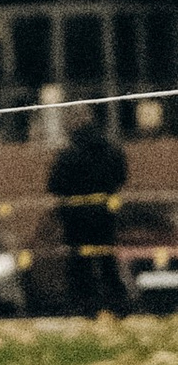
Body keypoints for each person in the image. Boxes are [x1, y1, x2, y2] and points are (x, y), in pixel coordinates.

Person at [48, 107, 130, 317]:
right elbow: (121, 175)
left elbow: (54, 184)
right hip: (105, 215)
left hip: (76, 218)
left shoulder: (68, 153)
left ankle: (85, 307)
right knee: (107, 261)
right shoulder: (110, 149)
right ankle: (118, 305)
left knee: (79, 263)